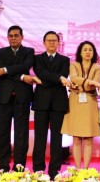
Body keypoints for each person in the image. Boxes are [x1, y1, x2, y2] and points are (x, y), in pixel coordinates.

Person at [0, 25, 35, 171]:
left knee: (21, 134)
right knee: (2, 133)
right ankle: (2, 166)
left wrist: (5, 70)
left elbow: (26, 65)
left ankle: (19, 166)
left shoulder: (29, 51)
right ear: (7, 37)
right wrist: (22, 76)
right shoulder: (1, 52)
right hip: (4, 98)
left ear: (22, 37)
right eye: (10, 36)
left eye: (16, 35)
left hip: (22, 98)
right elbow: (4, 69)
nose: (13, 38)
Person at [32, 31, 72, 179]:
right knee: (40, 137)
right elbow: (40, 72)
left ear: (58, 43)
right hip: (41, 103)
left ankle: (54, 170)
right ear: (44, 43)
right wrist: (59, 78)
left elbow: (47, 76)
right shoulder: (37, 59)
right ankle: (38, 169)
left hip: (58, 103)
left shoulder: (65, 60)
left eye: (54, 40)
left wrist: (56, 78)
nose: (51, 43)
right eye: (49, 40)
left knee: (57, 139)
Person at [61, 40, 100, 169]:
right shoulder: (74, 64)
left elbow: (96, 82)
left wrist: (80, 85)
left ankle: (85, 169)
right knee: (77, 138)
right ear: (80, 52)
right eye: (85, 49)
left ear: (94, 52)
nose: (88, 52)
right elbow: (73, 78)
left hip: (90, 101)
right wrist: (88, 83)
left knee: (89, 138)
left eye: (90, 49)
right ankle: (78, 169)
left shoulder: (97, 67)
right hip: (75, 101)